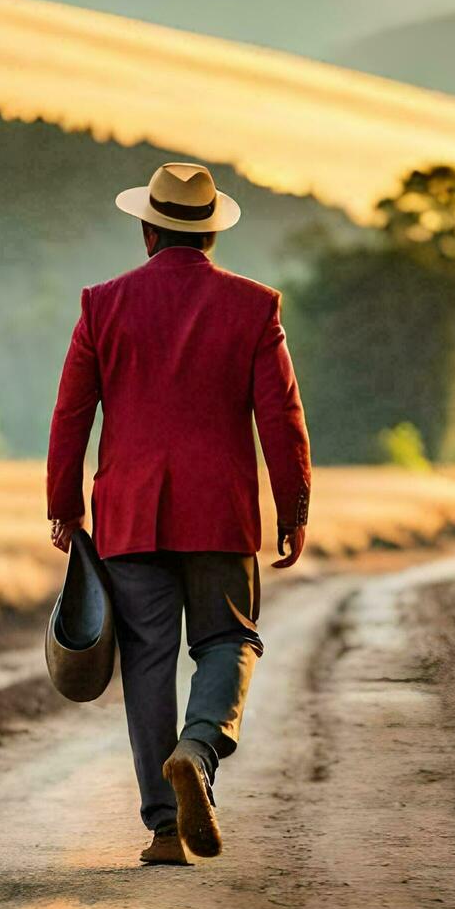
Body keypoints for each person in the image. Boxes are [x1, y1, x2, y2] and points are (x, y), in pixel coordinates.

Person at [46, 162, 312, 866]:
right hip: (220, 517)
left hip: (131, 519)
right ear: (211, 234)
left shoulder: (101, 304)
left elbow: (71, 413)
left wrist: (64, 508)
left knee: (148, 664)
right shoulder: (255, 307)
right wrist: (293, 508)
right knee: (229, 640)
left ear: (146, 230)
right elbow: (281, 419)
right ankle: (198, 749)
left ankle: (164, 830)